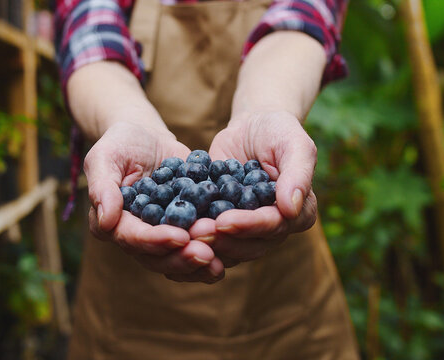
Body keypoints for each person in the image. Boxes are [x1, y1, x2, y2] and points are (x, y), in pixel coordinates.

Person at [57, 0, 358, 358]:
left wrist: (267, 108)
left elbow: (304, 17)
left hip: (283, 300)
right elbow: (88, 33)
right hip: (132, 311)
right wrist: (124, 118)